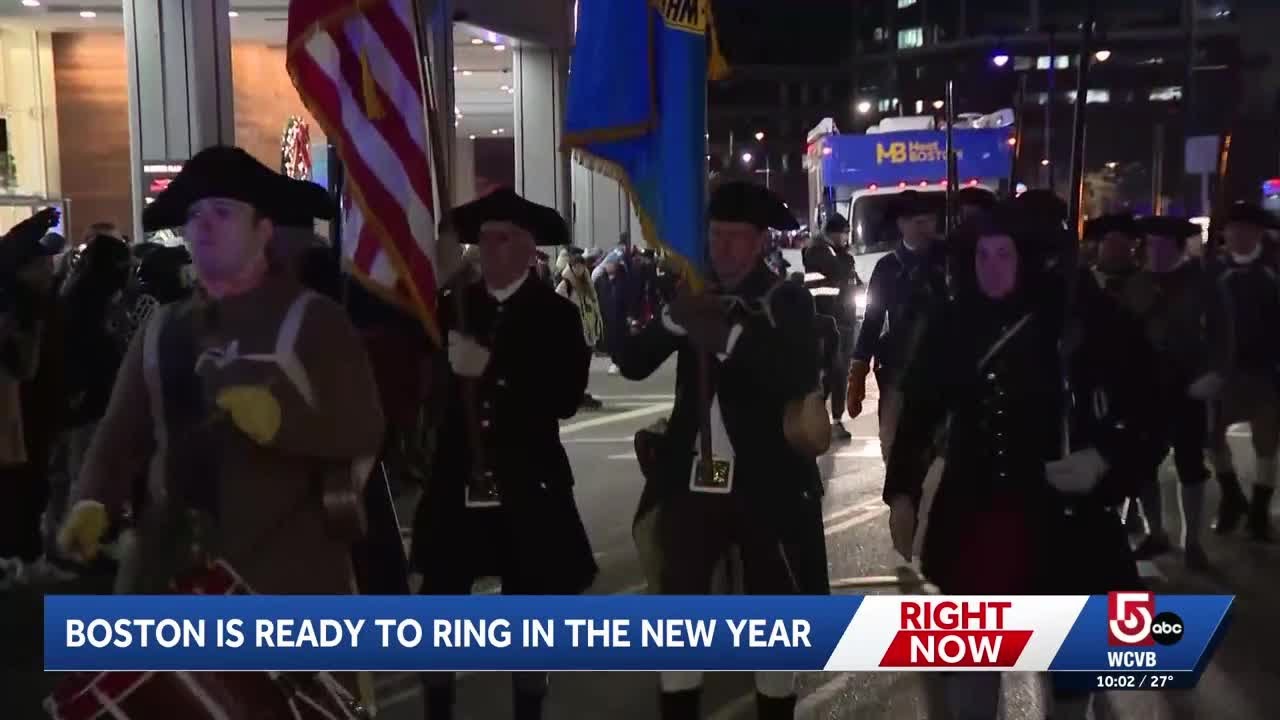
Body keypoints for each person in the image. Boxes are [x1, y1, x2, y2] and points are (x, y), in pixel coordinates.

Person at [57, 145, 385, 600]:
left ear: (263, 229)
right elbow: (118, 436)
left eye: (223, 212)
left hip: (285, 579)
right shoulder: (161, 327)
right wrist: (92, 500)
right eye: (194, 214)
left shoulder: (315, 319)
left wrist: (284, 423)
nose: (204, 225)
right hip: (166, 574)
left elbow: (363, 430)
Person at [885, 207, 1156, 719]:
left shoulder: (1077, 314)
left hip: (1061, 519)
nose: (992, 266)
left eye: (1004, 254)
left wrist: (1103, 460)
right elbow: (920, 412)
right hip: (976, 514)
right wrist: (904, 492)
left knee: (1069, 673)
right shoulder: (952, 321)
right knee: (971, 665)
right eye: (982, 255)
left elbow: (1144, 403)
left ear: (1025, 259)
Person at [616, 181, 828, 720]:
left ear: (759, 242)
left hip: (766, 481)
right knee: (678, 617)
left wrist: (730, 340)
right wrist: (671, 320)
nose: (724, 248)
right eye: (716, 235)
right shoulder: (691, 291)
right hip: (692, 477)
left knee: (773, 619)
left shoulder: (787, 299)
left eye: (736, 238)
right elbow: (632, 361)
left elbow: (797, 373)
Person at [412, 188, 596, 720]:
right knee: (437, 608)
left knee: (529, 613)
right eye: (483, 240)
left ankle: (528, 708)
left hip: (526, 479)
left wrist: (492, 369)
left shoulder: (556, 315)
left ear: (528, 248)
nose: (489, 250)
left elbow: (563, 397)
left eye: (503, 240)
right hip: (455, 479)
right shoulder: (451, 308)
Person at [1125, 216, 1212, 568]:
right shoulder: (1138, 283)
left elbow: (1223, 329)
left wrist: (1216, 373)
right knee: (1144, 462)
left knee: (1191, 463)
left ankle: (1192, 538)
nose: (1154, 252)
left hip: (1189, 384)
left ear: (1176, 248)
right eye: (1150, 246)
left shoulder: (1202, 282)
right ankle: (1155, 531)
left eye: (1161, 246)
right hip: (1146, 386)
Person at [1196, 201, 1280, 541]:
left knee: (1266, 442)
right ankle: (1231, 497)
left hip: (1264, 370)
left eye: (1246, 230)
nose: (1238, 236)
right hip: (1223, 371)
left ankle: (1259, 510)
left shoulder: (1273, 272)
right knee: (1211, 438)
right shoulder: (1212, 271)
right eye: (1233, 230)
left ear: (1258, 233)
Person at [847, 190, 945, 460]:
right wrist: (857, 373)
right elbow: (872, 321)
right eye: (918, 222)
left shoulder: (949, 261)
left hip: (943, 372)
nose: (926, 228)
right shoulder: (887, 267)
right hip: (898, 374)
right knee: (894, 447)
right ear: (902, 225)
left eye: (929, 221)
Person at [803, 213, 863, 440]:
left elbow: (852, 282)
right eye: (844, 233)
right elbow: (824, 289)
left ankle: (831, 418)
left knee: (837, 373)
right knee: (832, 373)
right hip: (831, 324)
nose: (847, 237)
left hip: (844, 321)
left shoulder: (840, 256)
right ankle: (821, 418)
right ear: (834, 233)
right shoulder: (820, 253)